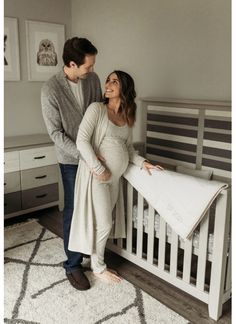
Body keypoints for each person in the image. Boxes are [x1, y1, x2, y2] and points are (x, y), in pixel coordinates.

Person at [68, 70, 164, 283]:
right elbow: (82, 141)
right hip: (97, 177)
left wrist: (143, 162)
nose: (108, 84)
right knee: (103, 223)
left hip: (114, 180)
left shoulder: (126, 115)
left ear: (125, 89)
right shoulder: (97, 109)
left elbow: (128, 149)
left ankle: (96, 261)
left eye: (115, 82)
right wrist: (99, 169)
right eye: (108, 80)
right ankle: (98, 267)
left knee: (103, 222)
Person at [41, 37, 102, 290]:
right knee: (74, 209)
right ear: (73, 63)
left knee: (95, 208)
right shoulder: (50, 89)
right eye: (88, 66)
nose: (92, 69)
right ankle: (73, 265)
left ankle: (91, 253)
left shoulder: (93, 80)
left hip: (96, 156)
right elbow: (56, 134)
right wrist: (84, 154)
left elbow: (99, 111)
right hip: (72, 160)